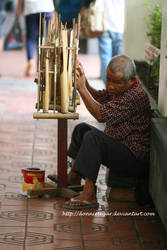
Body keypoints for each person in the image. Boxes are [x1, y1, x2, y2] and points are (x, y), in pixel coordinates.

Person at [62, 54, 151, 210]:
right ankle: (73, 178)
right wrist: (84, 80)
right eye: (108, 79)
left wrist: (81, 88)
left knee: (93, 138)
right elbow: (100, 96)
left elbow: (100, 115)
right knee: (81, 129)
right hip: (120, 146)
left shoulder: (134, 96)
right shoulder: (120, 88)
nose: (110, 85)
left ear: (132, 81)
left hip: (133, 159)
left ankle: (89, 193)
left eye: (116, 81)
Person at [15, 0, 55, 77]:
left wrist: (18, 10)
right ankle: (41, 64)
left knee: (31, 37)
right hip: (46, 7)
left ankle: (30, 59)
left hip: (31, 8)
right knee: (43, 37)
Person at [98, 0, 125, 83]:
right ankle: (116, 86)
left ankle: (108, 87)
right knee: (117, 61)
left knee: (105, 58)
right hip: (119, 28)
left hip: (104, 26)